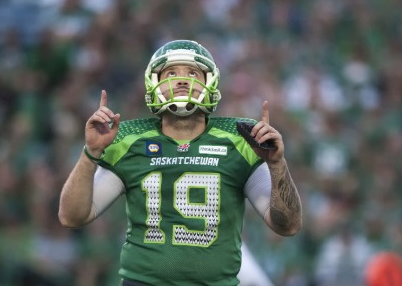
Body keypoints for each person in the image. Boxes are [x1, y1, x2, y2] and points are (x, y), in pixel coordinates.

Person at [59, 39, 302, 285]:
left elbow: (287, 225)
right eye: (171, 73)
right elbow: (72, 216)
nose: (183, 80)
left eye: (193, 72)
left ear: (211, 82)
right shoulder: (128, 141)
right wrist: (90, 153)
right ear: (154, 83)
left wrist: (277, 165)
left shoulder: (240, 140)